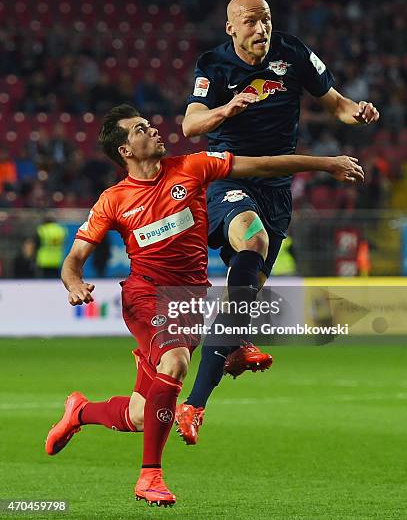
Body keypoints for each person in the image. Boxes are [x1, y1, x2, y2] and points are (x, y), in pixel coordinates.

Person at [45, 104, 363, 507]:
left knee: (144, 415)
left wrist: (325, 164)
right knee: (176, 362)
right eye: (142, 129)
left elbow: (263, 165)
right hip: (145, 294)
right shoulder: (113, 200)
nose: (155, 130)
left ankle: (80, 412)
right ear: (125, 150)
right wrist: (74, 285)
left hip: (188, 299)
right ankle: (149, 477)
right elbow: (72, 262)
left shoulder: (193, 167)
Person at [177, 0, 379, 444]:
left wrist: (358, 113)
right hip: (230, 175)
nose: (261, 29)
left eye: (265, 20)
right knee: (253, 243)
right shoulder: (214, 64)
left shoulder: (292, 52)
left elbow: (338, 103)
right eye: (250, 21)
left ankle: (215, 373)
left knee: (243, 295)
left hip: (277, 187)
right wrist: (225, 111)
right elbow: (190, 125)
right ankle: (195, 401)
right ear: (231, 28)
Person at [35, 213, 67, 278]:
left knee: (44, 281)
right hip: (57, 258)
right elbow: (65, 243)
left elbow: (36, 244)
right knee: (55, 280)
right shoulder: (61, 229)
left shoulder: (42, 229)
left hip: (44, 259)